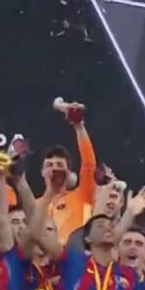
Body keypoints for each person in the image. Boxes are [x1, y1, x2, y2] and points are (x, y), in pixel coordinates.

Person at [44, 100, 97, 246]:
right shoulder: (35, 205)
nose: (54, 168)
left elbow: (89, 165)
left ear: (68, 173)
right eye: (49, 165)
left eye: (60, 165)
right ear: (42, 172)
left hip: (77, 256)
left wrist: (78, 126)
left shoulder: (82, 196)